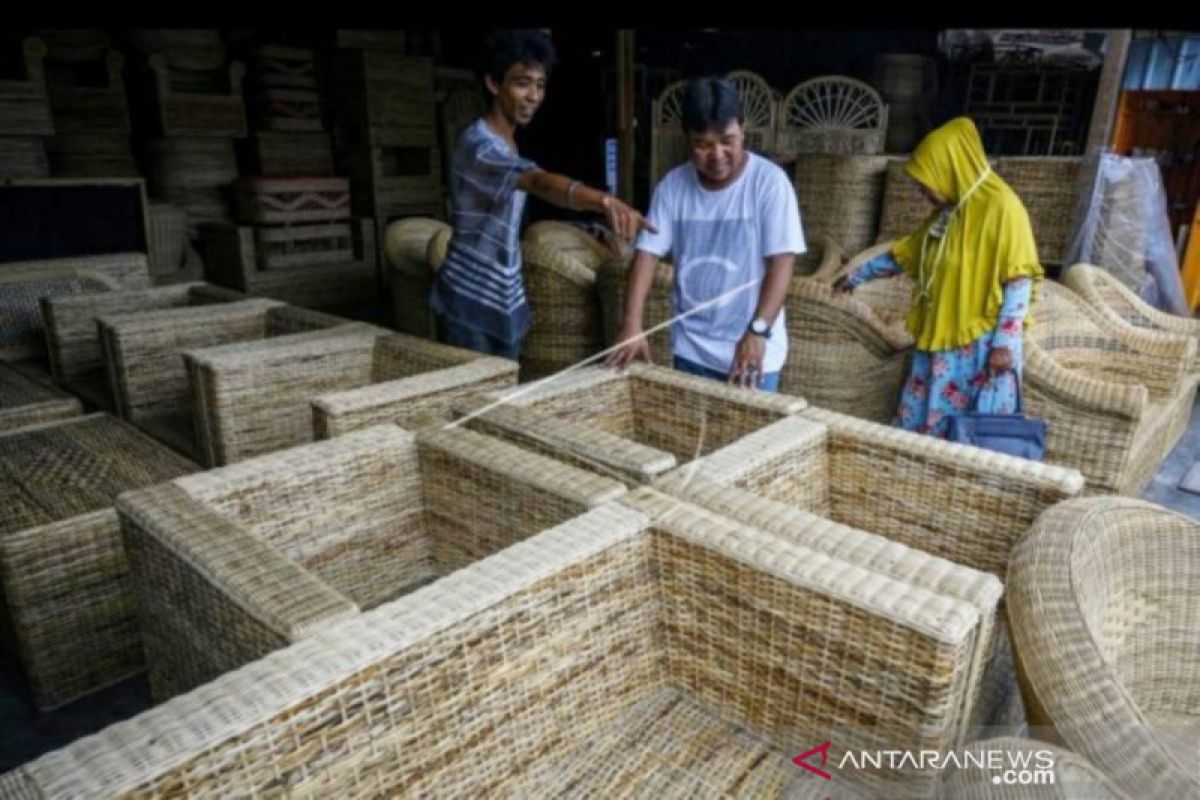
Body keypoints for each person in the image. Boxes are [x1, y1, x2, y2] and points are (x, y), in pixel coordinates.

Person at [430, 29, 653, 360]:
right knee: (476, 404)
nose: (534, 95)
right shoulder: (480, 146)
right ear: (494, 84)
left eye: (540, 84)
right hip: (469, 303)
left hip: (501, 302)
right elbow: (540, 182)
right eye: (522, 83)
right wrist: (604, 201)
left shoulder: (507, 140)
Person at [832, 117, 1043, 436]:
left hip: (979, 351)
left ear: (951, 167)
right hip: (938, 343)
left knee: (969, 438)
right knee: (918, 426)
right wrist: (857, 275)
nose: (921, 190)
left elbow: (1019, 282)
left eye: (925, 181)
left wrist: (1005, 346)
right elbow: (907, 254)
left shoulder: (1004, 210)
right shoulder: (948, 214)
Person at [605, 76, 804, 391]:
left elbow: (782, 263)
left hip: (751, 351)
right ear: (686, 138)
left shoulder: (770, 184)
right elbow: (646, 257)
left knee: (750, 440)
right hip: (691, 349)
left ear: (743, 129)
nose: (717, 155)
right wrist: (631, 324)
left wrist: (758, 331)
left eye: (728, 141)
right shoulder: (672, 187)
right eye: (703, 144)